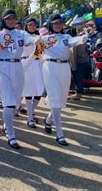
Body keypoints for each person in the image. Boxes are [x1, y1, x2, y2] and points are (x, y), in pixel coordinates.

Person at [0, 10, 35, 149]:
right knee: (8, 102)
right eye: (8, 18)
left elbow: (30, 40)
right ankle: (11, 134)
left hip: (18, 67)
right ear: (4, 20)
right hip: (3, 67)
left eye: (13, 18)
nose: (11, 20)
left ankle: (7, 124)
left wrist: (39, 38)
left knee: (16, 102)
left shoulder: (21, 34)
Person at [39, 13, 87, 146]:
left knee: (60, 99)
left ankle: (48, 121)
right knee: (54, 98)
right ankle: (59, 133)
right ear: (51, 24)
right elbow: (34, 49)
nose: (58, 25)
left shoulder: (66, 37)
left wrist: (84, 36)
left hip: (65, 67)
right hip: (50, 67)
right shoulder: (45, 39)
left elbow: (75, 41)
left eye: (60, 23)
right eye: (55, 23)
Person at [21, 18, 45, 128]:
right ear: (26, 25)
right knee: (28, 92)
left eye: (34, 24)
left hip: (37, 64)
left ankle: (30, 111)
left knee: (39, 91)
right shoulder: (22, 35)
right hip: (26, 63)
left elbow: (41, 52)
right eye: (30, 24)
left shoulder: (38, 37)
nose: (32, 26)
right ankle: (30, 118)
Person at [69, 26, 91, 100]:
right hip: (85, 60)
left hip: (79, 62)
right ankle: (79, 93)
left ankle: (78, 94)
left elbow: (73, 54)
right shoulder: (86, 38)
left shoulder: (77, 40)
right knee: (80, 78)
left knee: (78, 78)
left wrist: (73, 65)